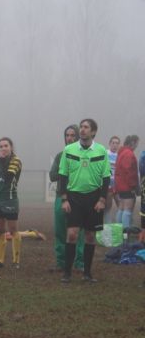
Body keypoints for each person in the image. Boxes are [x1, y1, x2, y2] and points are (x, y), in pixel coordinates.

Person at [59, 119, 111, 283]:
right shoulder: (69, 149)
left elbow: (106, 177)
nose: (82, 130)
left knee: (90, 236)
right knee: (72, 234)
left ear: (93, 132)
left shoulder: (102, 151)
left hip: (94, 198)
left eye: (86, 127)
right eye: (81, 127)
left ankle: (87, 274)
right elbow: (62, 176)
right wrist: (64, 199)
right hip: (74, 198)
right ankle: (67, 273)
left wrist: (102, 199)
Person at [49, 125, 84, 272]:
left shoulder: (84, 155)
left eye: (72, 135)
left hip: (79, 198)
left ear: (77, 137)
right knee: (60, 232)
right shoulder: (60, 155)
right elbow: (52, 175)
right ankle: (61, 262)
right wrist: (65, 172)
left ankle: (79, 263)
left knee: (80, 232)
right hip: (60, 198)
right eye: (67, 135)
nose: (69, 138)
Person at [0, 137, 22, 269]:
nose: (3, 148)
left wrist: (2, 160)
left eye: (6, 146)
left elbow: (9, 175)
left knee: (13, 229)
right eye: (0, 146)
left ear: (11, 147)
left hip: (9, 199)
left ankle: (16, 261)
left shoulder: (16, 161)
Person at [114, 135, 139, 230]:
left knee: (121, 208)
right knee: (127, 210)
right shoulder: (129, 154)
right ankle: (125, 232)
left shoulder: (122, 152)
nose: (136, 146)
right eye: (136, 143)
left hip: (120, 186)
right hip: (127, 186)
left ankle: (119, 231)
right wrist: (133, 186)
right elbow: (128, 171)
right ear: (132, 142)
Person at [104, 136, 121, 223]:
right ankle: (108, 226)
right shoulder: (105, 153)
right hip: (108, 184)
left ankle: (123, 228)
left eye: (117, 143)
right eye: (113, 143)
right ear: (110, 144)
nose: (115, 145)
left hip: (118, 185)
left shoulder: (120, 155)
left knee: (121, 206)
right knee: (108, 207)